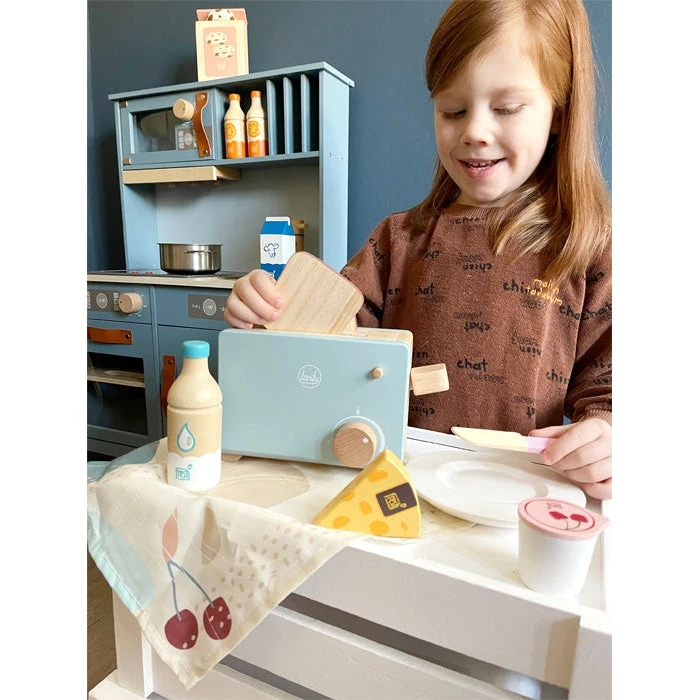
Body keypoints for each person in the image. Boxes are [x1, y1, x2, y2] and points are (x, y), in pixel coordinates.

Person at [224, 0, 612, 500]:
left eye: (507, 108)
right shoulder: (397, 239)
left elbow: (608, 389)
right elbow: (321, 351)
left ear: (558, 110)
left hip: (513, 501)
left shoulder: (588, 249)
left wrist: (606, 437)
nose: (474, 132)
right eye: (453, 110)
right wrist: (265, 315)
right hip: (389, 488)